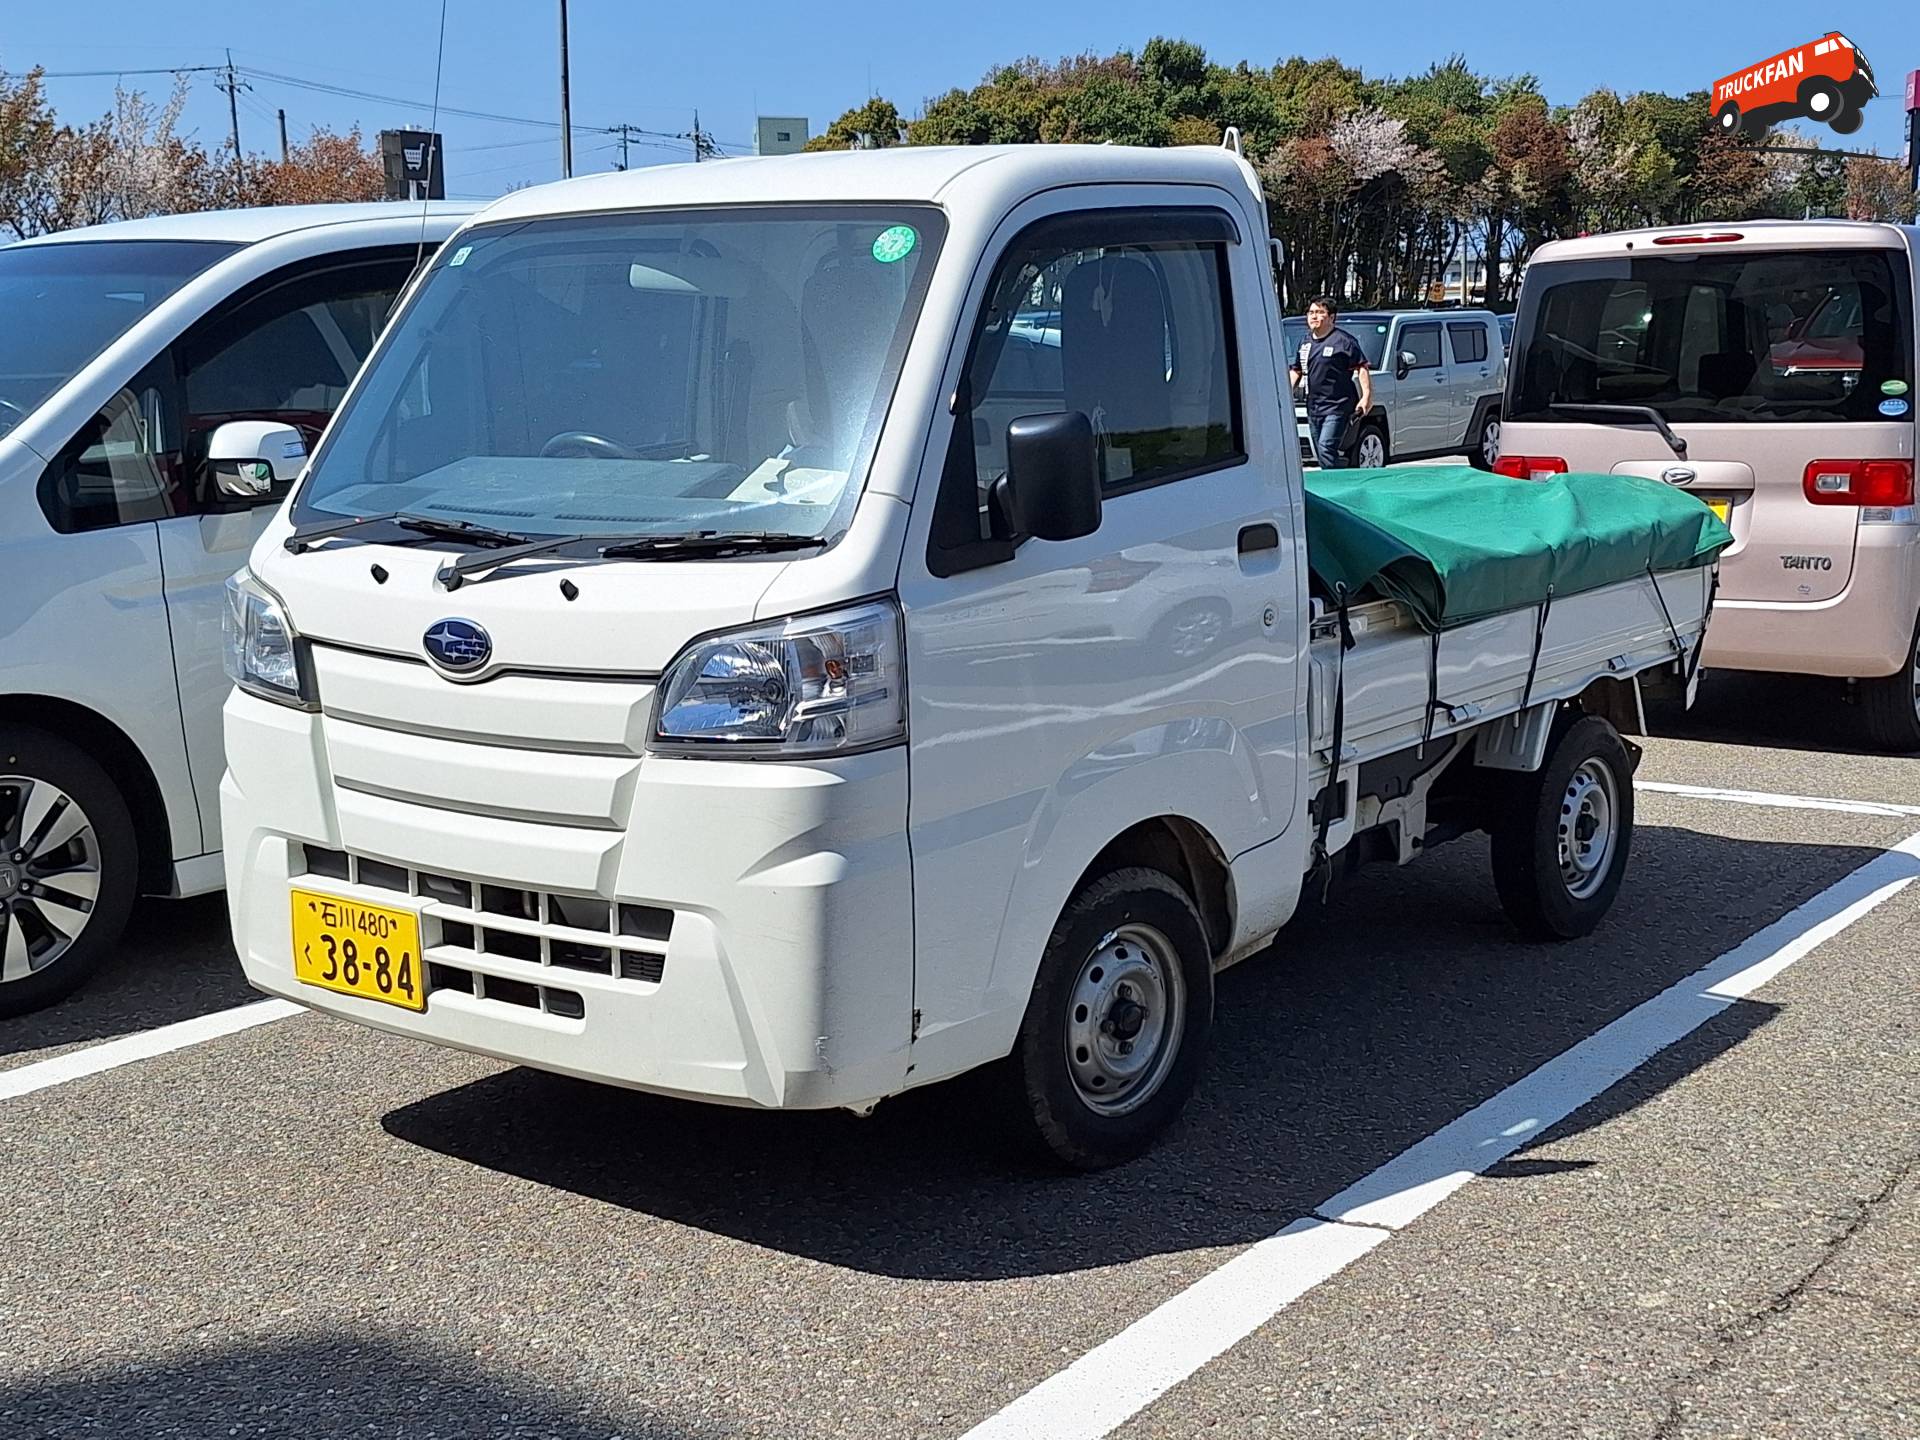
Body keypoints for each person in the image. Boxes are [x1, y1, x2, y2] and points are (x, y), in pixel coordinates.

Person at [1288, 296, 1373, 469]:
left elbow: (1362, 367)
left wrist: (1366, 396)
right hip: (1313, 406)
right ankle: (1339, 478)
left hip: (1337, 406)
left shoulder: (1344, 341)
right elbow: (1297, 370)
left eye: (1320, 313)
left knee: (1326, 447)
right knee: (1320, 450)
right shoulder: (1305, 342)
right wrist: (1283, 394)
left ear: (1332, 317)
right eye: (1311, 312)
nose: (1314, 316)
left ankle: (1334, 484)